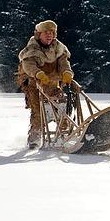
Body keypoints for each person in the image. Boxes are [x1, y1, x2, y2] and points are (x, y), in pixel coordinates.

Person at [16, 20, 74, 148]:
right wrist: (38, 74)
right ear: (39, 34)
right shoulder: (31, 49)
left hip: (52, 84)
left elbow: (64, 63)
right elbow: (28, 65)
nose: (49, 35)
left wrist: (67, 73)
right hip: (34, 85)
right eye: (46, 33)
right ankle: (34, 139)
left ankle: (64, 133)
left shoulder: (59, 48)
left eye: (52, 33)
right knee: (38, 111)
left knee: (62, 104)